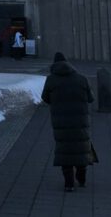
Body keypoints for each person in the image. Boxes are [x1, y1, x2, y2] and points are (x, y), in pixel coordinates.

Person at [41, 51, 95, 191]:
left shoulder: (51, 80)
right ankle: (82, 179)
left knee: (64, 150)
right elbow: (90, 98)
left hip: (61, 122)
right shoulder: (81, 79)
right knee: (81, 148)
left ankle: (69, 184)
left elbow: (45, 98)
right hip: (80, 121)